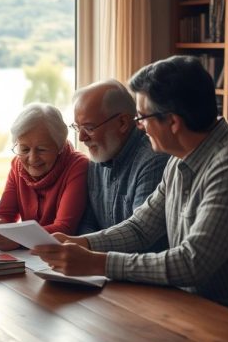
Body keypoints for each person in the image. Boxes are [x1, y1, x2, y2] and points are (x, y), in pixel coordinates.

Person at [33, 55, 228, 329]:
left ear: (172, 122)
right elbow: (140, 228)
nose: (139, 126)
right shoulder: (180, 158)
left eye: (143, 117)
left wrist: (97, 263)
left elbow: (192, 262)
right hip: (198, 309)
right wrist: (82, 244)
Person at [0, 103, 89, 251]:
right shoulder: (18, 165)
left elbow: (64, 228)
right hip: (32, 258)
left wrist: (18, 240)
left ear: (60, 146)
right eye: (24, 149)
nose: (32, 159)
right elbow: (4, 213)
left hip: (68, 256)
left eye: (42, 149)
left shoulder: (78, 165)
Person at [72, 79, 169, 234]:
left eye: (89, 128)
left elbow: (140, 237)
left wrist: (87, 250)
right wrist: (80, 247)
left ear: (122, 122)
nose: (82, 138)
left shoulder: (153, 160)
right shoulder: (98, 154)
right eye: (78, 128)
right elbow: (87, 222)